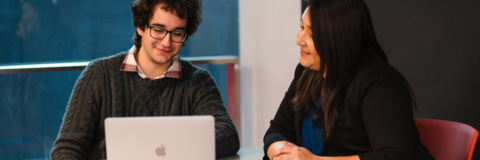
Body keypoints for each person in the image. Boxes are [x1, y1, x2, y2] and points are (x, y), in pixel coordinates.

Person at [50, 0, 240, 159]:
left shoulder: (198, 82)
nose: (166, 42)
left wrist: (166, 147)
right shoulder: (99, 74)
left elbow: (228, 136)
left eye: (177, 33)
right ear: (141, 27)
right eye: (158, 29)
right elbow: (67, 149)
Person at [263, 0, 435, 160]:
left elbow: (394, 156)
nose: (299, 40)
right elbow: (277, 131)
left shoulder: (379, 82)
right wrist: (281, 154)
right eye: (302, 27)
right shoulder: (305, 73)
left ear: (338, 39)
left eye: (313, 34)